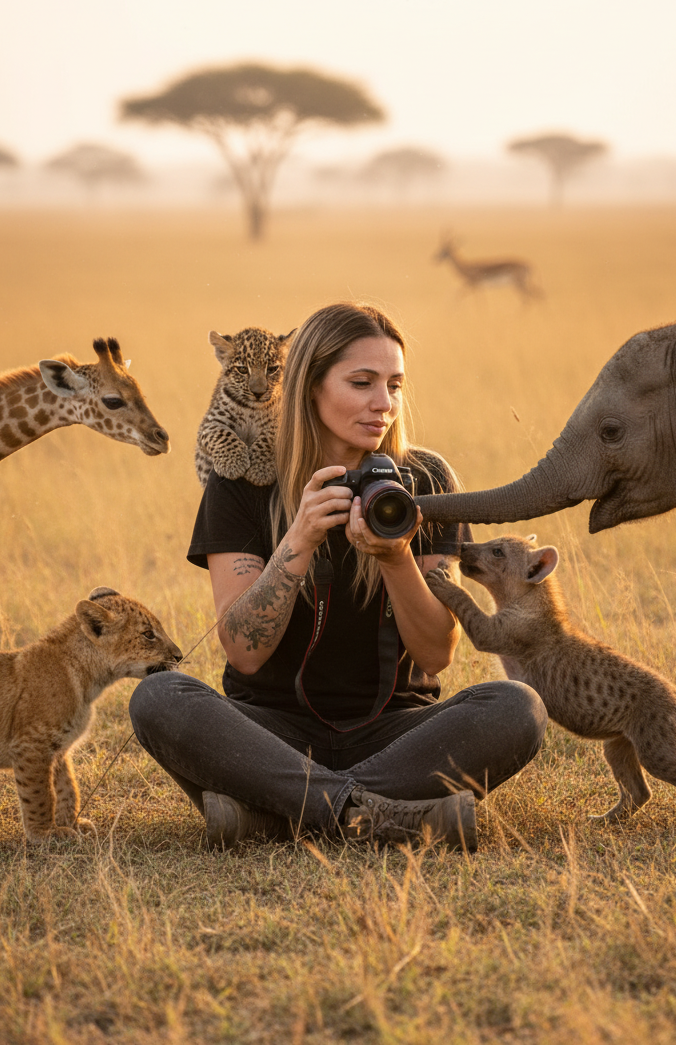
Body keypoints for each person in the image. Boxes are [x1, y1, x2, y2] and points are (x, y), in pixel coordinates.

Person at [129, 302, 547, 851]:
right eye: (361, 382)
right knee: (160, 698)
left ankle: (278, 818)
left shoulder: (424, 478)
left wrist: (395, 560)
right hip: (268, 732)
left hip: (399, 733)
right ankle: (373, 815)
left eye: (395, 385)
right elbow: (244, 653)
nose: (384, 404)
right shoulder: (242, 482)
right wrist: (297, 541)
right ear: (309, 386)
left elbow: (436, 655)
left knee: (517, 707)